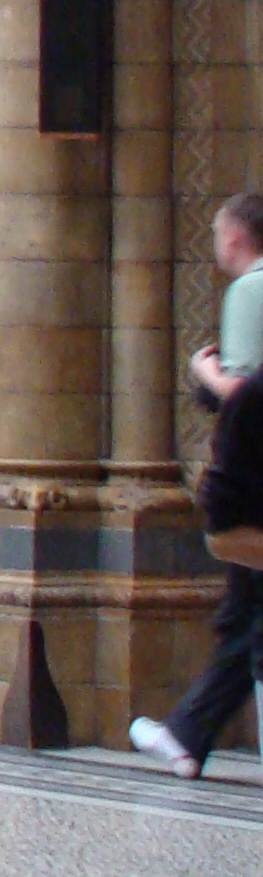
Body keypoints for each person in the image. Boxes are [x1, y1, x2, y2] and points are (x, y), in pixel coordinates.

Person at [136, 192, 263, 776]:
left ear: (235, 237)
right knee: (245, 613)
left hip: (255, 484)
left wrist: (202, 371)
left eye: (217, 232)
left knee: (248, 612)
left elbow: (244, 394)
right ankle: (188, 733)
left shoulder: (250, 290)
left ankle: (188, 733)